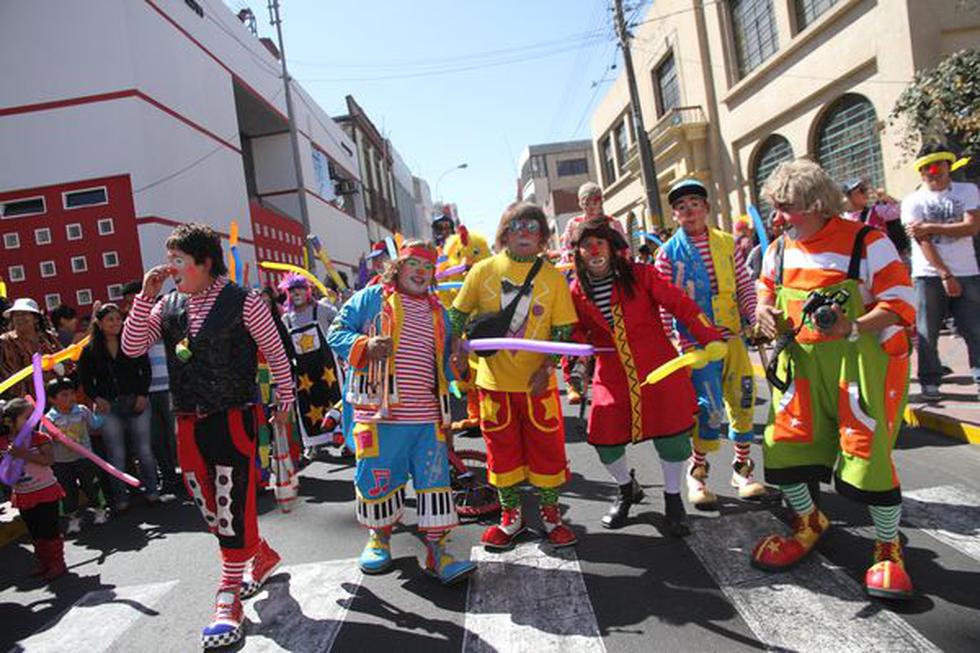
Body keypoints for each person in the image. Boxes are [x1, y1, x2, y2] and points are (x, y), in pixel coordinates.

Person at [122, 223, 294, 649]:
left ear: (204, 262)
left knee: (231, 500)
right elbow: (130, 347)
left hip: (232, 415)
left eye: (179, 259)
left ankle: (228, 596)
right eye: (170, 258)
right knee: (208, 505)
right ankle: (260, 554)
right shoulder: (167, 305)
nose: (171, 267)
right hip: (186, 418)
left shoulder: (244, 301)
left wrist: (285, 399)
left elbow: (274, 350)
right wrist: (145, 297)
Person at [751, 159, 915, 600]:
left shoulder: (868, 241)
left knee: (868, 454)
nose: (780, 217)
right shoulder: (779, 249)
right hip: (801, 364)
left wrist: (853, 326)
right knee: (782, 447)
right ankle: (809, 521)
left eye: (790, 208)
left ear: (819, 204)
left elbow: (901, 301)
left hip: (857, 364)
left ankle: (887, 547)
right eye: (778, 207)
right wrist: (763, 310)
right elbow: (766, 288)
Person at [327, 240, 475, 584]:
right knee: (377, 479)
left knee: (434, 484)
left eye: (428, 267)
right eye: (414, 265)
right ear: (398, 267)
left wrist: (461, 367)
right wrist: (364, 346)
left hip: (427, 419)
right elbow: (336, 331)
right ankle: (379, 539)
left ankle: (438, 551)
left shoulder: (439, 313)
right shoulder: (371, 298)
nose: (421, 273)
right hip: (380, 416)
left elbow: (445, 368)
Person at [570, 218, 724, 533]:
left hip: (658, 369)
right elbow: (576, 333)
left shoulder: (641, 275)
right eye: (587, 244)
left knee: (672, 439)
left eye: (600, 242)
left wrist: (708, 335)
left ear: (613, 248)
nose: (594, 249)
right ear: (578, 253)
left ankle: (673, 499)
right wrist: (575, 366)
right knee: (604, 438)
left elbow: (680, 303)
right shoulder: (575, 290)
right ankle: (627, 489)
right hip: (611, 376)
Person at [450, 202, 579, 550]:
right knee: (502, 453)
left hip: (539, 385)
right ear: (504, 233)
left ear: (542, 237)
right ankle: (511, 518)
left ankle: (551, 516)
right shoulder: (482, 271)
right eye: (517, 226)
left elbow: (565, 328)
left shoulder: (552, 277)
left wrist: (548, 367)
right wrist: (457, 345)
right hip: (493, 385)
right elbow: (457, 315)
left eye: (532, 226)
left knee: (546, 452)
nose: (524, 232)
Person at [655, 179, 764, 508]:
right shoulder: (667, 253)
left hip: (732, 336)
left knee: (744, 399)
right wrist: (670, 341)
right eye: (681, 207)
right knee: (709, 409)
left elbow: (744, 285)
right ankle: (697, 472)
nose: (689, 211)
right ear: (675, 215)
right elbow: (663, 301)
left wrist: (755, 317)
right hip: (695, 343)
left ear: (706, 208)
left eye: (694, 203)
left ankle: (742, 470)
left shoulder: (727, 243)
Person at [900, 143, 980, 401]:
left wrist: (931, 226)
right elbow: (921, 241)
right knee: (927, 331)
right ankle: (930, 380)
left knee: (974, 328)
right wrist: (945, 274)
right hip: (928, 275)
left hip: (967, 271)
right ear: (921, 172)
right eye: (927, 170)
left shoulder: (967, 191)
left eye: (938, 168)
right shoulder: (912, 201)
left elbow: (971, 227)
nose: (934, 174)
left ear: (948, 166)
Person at [76, 302, 160, 511]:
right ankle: (121, 499)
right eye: (110, 319)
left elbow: (146, 370)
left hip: (136, 401)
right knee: (116, 453)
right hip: (108, 407)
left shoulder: (132, 342)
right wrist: (96, 398)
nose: (115, 323)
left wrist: (143, 394)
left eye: (118, 319)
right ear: (100, 323)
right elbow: (85, 380)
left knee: (144, 450)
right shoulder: (90, 349)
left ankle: (152, 492)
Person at [559, 183, 628, 405]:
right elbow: (565, 255)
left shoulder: (613, 223)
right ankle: (574, 382)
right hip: (582, 285)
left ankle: (625, 372)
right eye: (587, 200)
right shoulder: (573, 224)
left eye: (596, 199)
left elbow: (625, 253)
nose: (592, 204)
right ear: (580, 203)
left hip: (612, 282)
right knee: (574, 329)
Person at [0, 398, 67, 580]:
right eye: (27, 417)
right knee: (35, 531)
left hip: (45, 490)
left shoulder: (39, 438)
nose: (33, 420)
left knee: (49, 529)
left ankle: (56, 563)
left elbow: (48, 460)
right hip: (23, 493)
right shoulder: (3, 442)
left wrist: (23, 454)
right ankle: (43, 562)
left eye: (34, 416)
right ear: (9, 421)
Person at [279, 273, 341, 452]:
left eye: (299, 288)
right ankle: (313, 444)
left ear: (308, 291)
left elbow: (341, 320)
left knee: (334, 399)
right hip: (304, 373)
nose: (296, 293)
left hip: (327, 368)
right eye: (292, 290)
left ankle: (342, 437)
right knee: (307, 405)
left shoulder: (322, 309)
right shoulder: (287, 318)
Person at [45, 377, 108, 533]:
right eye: (64, 395)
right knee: (67, 491)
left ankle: (100, 510)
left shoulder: (81, 410)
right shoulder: (49, 420)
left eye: (72, 393)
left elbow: (94, 424)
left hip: (84, 457)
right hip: (61, 461)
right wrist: (51, 438)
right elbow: (44, 440)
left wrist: (101, 413)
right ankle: (73, 518)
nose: (70, 397)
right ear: (52, 400)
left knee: (91, 485)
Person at [0, 298, 63, 399]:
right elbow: (11, 373)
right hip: (22, 402)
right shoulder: (6, 341)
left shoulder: (48, 337)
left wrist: (60, 368)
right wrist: (47, 375)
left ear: (36, 318)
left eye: (24, 314)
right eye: (16, 315)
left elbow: (66, 359)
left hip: (55, 398)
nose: (19, 318)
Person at [842, 179, 910, 260]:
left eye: (865, 189)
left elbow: (900, 210)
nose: (866, 193)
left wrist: (887, 198)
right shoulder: (841, 219)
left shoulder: (876, 211)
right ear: (848, 196)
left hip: (884, 259)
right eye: (861, 190)